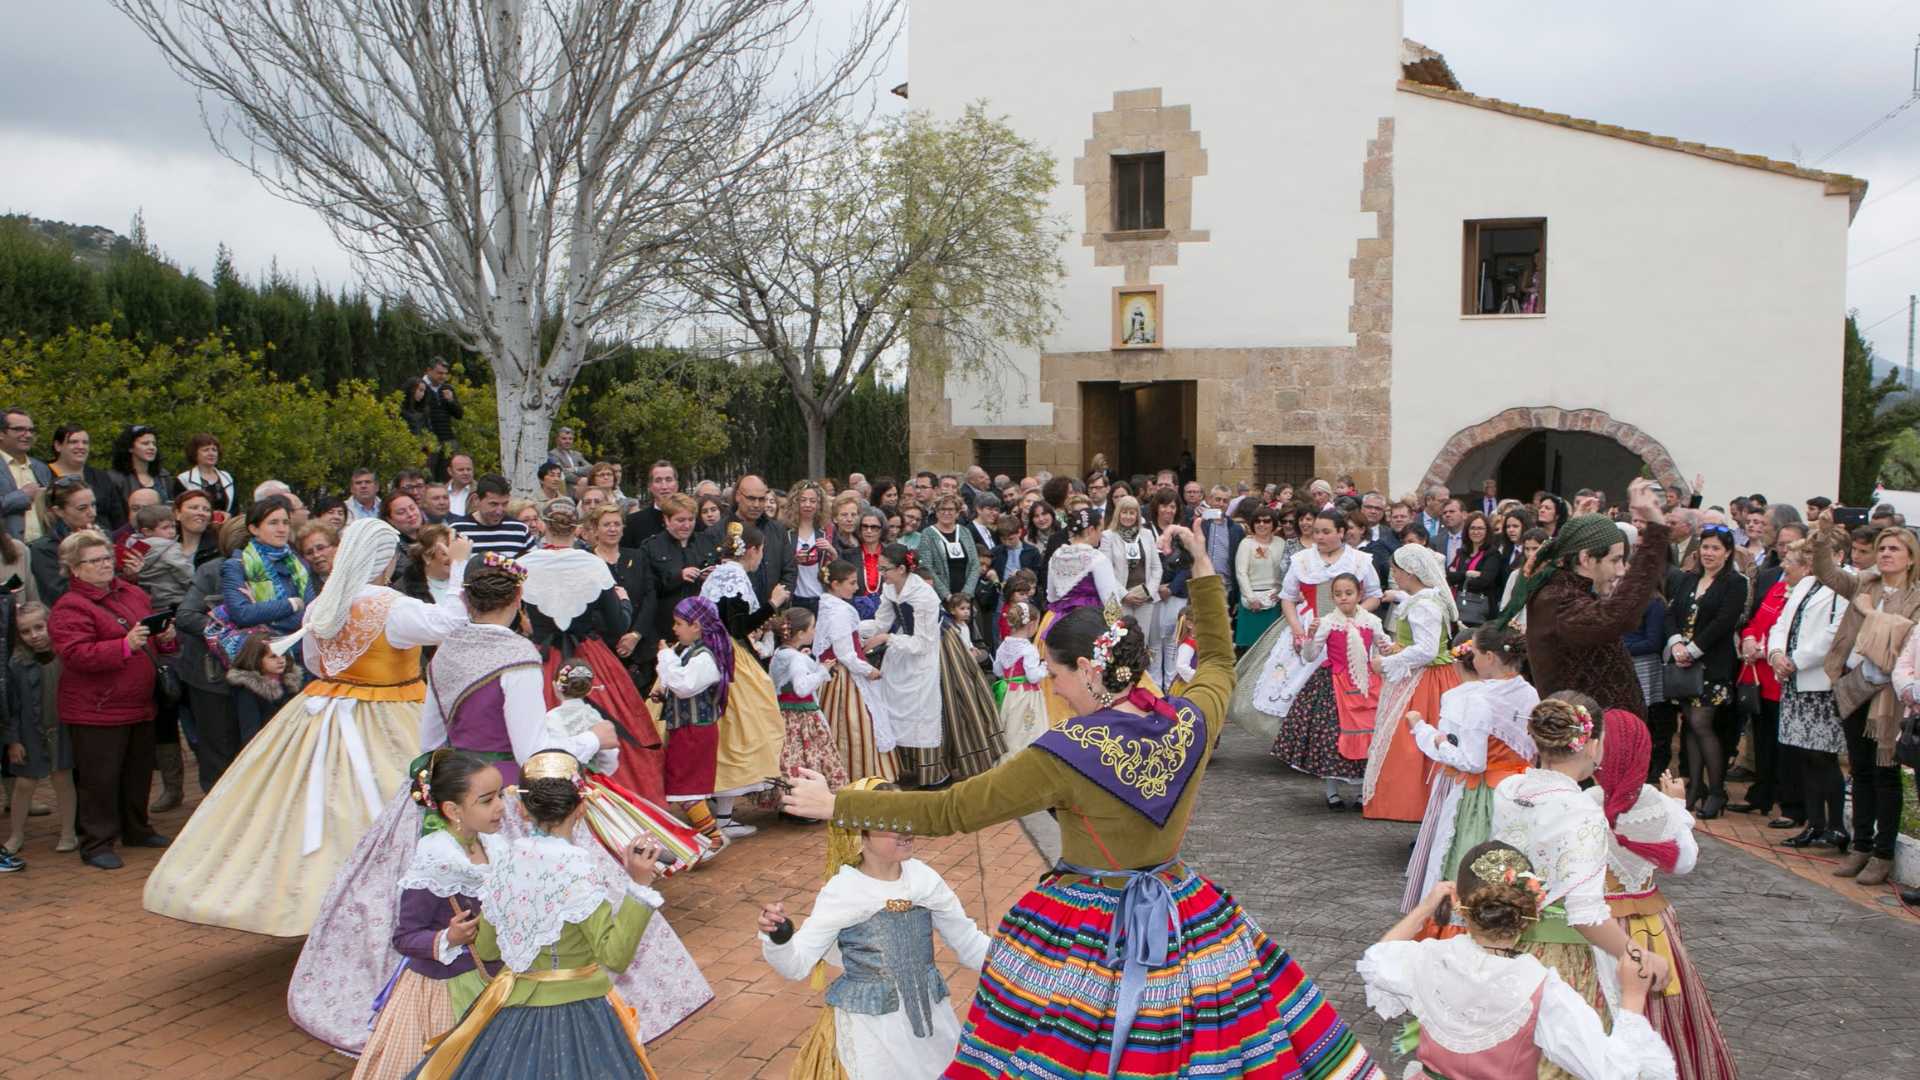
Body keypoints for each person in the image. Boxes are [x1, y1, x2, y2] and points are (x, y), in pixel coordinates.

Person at [778, 525, 1381, 1080]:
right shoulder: (1190, 720)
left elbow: (952, 811)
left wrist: (842, 806)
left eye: (1057, 673)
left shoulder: (1063, 753)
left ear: (1091, 670)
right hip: (1184, 911)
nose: (1054, 686)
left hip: (1091, 927)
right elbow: (1220, 661)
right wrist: (1201, 567)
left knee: (1071, 1045)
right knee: (1204, 1036)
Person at [286, 556, 709, 1053]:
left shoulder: (444, 653)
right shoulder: (517, 657)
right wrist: (593, 739)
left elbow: (432, 738)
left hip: (452, 788)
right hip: (503, 798)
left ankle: (427, 1004)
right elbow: (533, 753)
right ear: (516, 602)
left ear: (465, 600)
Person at [142, 519, 474, 935]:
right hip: (391, 708)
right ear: (384, 559)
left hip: (323, 708)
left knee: (303, 806)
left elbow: (317, 664)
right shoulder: (392, 605)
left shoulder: (324, 603)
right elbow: (451, 626)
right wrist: (460, 567)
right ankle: (392, 908)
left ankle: (310, 902)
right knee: (394, 802)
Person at [401, 752, 666, 1079]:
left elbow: (487, 950)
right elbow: (615, 955)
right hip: (580, 1014)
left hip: (515, 1011)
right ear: (581, 806)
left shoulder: (505, 862)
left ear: (523, 809)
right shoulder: (577, 870)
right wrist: (638, 886)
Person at [1360, 841, 1676, 1080]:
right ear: (1532, 912)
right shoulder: (1540, 988)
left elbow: (1377, 959)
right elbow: (1612, 1071)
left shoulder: (1428, 958)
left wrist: (1424, 909)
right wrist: (1633, 997)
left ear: (1459, 903)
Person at [757, 777, 994, 1080]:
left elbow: (971, 944)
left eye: (905, 815)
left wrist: (1022, 961)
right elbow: (796, 964)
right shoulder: (844, 890)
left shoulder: (924, 879)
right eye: (891, 820)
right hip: (870, 1033)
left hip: (930, 1027)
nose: (906, 828)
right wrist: (779, 937)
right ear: (859, 833)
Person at [1493, 695, 1674, 1066]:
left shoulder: (1509, 791)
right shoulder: (1582, 811)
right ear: (1592, 744)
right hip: (1564, 961)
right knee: (1568, 1060)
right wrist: (1635, 954)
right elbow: (1585, 914)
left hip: (1506, 947)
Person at [1591, 711, 1738, 1080]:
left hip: (1598, 927)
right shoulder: (1655, 802)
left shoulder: (1586, 802)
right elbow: (1684, 862)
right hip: (1651, 927)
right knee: (1664, 1004)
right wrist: (1679, 806)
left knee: (1600, 1002)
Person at [349, 750, 507, 1080]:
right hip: (445, 992)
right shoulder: (437, 860)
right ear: (453, 810)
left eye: (502, 795)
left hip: (495, 983)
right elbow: (405, 937)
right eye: (487, 800)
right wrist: (447, 937)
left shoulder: (494, 847)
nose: (500, 807)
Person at [48, 530, 178, 869]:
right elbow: (75, 655)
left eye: (107, 558)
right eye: (94, 561)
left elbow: (150, 641)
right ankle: (96, 843)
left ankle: (137, 828)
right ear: (75, 569)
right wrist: (124, 645)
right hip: (96, 708)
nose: (105, 565)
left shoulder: (132, 592)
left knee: (138, 771)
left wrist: (164, 637)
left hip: (139, 702)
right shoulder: (69, 607)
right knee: (99, 779)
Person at [1503, 479, 1671, 717]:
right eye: (1615, 560)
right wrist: (1656, 532)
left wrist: (1575, 527)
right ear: (1586, 559)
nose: (1622, 570)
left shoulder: (1564, 589)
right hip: (1586, 748)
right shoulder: (1558, 600)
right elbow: (1616, 617)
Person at [1402, 625, 1538, 914]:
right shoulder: (1528, 692)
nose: (1471, 660)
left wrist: (1431, 737)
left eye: (1474, 653)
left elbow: (1472, 761)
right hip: (1521, 789)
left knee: (1470, 861)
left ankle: (1465, 927)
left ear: (1489, 657)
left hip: (1484, 795)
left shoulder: (1480, 700)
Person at [696, 522, 786, 828]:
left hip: (712, 651)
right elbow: (737, 626)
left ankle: (715, 808)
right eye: (761, 551)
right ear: (752, 550)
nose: (761, 557)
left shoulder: (720, 573)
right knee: (741, 728)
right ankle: (722, 816)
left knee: (725, 730)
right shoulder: (733, 575)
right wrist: (773, 604)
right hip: (727, 656)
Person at [1363, 544, 1460, 823]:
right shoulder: (1424, 599)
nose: (1394, 575)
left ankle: (1417, 806)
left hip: (1426, 680)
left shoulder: (1425, 605)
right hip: (1427, 675)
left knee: (1413, 745)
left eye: (1397, 571)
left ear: (1411, 572)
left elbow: (1427, 650)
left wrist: (1389, 662)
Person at [1269, 573, 1382, 809]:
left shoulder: (1371, 621)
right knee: (1331, 737)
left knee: (1368, 735)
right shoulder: (1327, 622)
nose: (1343, 598)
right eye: (1338, 594)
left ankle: (1363, 791)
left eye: (1349, 593)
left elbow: (1381, 645)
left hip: (1366, 684)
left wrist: (1392, 652)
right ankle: (1332, 792)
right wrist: (1309, 637)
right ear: (1332, 597)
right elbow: (1310, 655)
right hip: (1334, 684)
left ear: (1359, 595)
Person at [1663, 523, 1749, 819]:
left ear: (1727, 553)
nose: (1709, 553)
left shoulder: (1735, 583)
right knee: (1689, 723)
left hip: (1712, 665)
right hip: (1683, 666)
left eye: (1716, 548)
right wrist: (1676, 645)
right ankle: (1695, 785)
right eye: (1706, 547)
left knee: (1702, 723)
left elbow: (1724, 622)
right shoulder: (1687, 579)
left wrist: (1694, 649)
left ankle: (1716, 790)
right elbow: (1671, 614)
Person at [1770, 539, 1849, 851]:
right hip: (1793, 680)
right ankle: (1814, 824)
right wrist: (1776, 653)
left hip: (1819, 681)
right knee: (1804, 754)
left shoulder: (1845, 586)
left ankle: (1836, 826)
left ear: (1838, 556)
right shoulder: (1805, 584)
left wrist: (1796, 660)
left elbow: (1835, 634)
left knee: (1823, 756)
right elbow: (1782, 623)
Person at [865, 544, 945, 788]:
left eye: (885, 569)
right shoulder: (890, 588)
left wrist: (887, 639)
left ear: (901, 569)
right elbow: (882, 622)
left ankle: (932, 774)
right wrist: (852, 629)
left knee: (921, 709)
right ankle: (902, 768)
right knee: (892, 703)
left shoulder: (924, 596)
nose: (882, 575)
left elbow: (923, 643)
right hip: (901, 650)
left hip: (922, 654)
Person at [3, 602, 76, 859]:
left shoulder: (65, 655)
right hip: (29, 732)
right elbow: (11, 706)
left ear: (50, 624)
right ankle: (16, 834)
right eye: (25, 631)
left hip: (62, 728)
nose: (34, 635)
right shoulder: (16, 664)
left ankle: (68, 831)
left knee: (62, 779)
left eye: (39, 627)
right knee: (24, 784)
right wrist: (13, 740)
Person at [816, 560, 898, 784]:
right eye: (851, 583)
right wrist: (869, 670)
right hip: (844, 675)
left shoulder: (829, 606)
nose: (855, 587)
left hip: (833, 674)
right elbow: (845, 653)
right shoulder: (840, 611)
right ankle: (859, 775)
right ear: (834, 584)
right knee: (856, 725)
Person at [767, 607, 849, 811]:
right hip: (802, 717)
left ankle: (787, 800)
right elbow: (801, 687)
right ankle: (809, 803)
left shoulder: (781, 653)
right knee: (809, 756)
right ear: (801, 633)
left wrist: (803, 658)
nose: (815, 631)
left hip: (783, 714)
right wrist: (822, 670)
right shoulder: (795, 659)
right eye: (812, 627)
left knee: (788, 757)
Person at [219, 495, 317, 645]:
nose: (281, 529)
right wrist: (292, 604)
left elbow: (312, 614)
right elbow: (243, 614)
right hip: (262, 653)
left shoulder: (298, 565)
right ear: (254, 529)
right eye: (273, 523)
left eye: (285, 523)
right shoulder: (237, 565)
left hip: (302, 647)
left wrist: (262, 609)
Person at [935, 592, 1005, 780]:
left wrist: (975, 652)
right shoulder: (950, 630)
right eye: (961, 609)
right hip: (959, 670)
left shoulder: (965, 627)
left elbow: (972, 645)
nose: (966, 612)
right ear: (952, 610)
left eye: (968, 609)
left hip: (970, 667)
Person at [225, 631, 302, 748]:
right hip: (266, 748)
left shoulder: (290, 683)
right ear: (256, 659)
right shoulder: (248, 690)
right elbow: (250, 733)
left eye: (283, 654)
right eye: (273, 656)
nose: (281, 660)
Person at [993, 599, 1048, 757]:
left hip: (1008, 693)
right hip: (1025, 695)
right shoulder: (1029, 649)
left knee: (1009, 727)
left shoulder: (1003, 645)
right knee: (1026, 729)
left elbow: (997, 669)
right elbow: (1032, 677)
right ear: (1031, 625)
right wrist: (1044, 668)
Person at [30, 477, 98, 603]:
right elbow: (61, 594)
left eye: (93, 505)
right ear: (59, 511)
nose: (92, 513)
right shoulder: (45, 548)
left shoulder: (102, 535)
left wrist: (130, 575)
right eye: (82, 508)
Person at [102, 424, 173, 533]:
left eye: (154, 444)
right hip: (129, 536)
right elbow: (115, 516)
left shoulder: (163, 476)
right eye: (145, 443)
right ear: (130, 447)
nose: (151, 447)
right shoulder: (115, 478)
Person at [914, 492, 980, 605]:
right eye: (941, 509)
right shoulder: (928, 534)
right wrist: (947, 596)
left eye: (950, 509)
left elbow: (974, 564)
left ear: (958, 512)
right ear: (936, 512)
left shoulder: (965, 531)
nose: (946, 513)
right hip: (941, 597)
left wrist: (966, 594)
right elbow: (926, 567)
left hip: (965, 599)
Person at [450, 475, 536, 557]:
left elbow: (533, 565)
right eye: (493, 504)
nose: (499, 511)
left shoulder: (520, 530)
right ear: (476, 500)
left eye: (505, 504)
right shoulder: (457, 530)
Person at [0, 407, 50, 542]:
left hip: (43, 551)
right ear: (1, 433)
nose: (27, 435)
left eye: (30, 430)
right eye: (19, 429)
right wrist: (23, 495)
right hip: (7, 552)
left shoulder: (41, 468)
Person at [785, 480, 833, 613]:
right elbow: (778, 565)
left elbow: (837, 566)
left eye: (813, 501)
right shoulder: (786, 532)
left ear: (819, 504)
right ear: (795, 502)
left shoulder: (826, 531)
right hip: (795, 598)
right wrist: (794, 560)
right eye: (803, 500)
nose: (808, 505)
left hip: (821, 596)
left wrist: (831, 550)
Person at [175, 433, 235, 515]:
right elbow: (179, 508)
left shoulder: (227, 478)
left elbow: (234, 508)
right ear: (195, 453)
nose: (211, 453)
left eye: (214, 450)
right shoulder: (184, 479)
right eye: (206, 450)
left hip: (226, 525)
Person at [850, 506, 891, 619]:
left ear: (882, 529)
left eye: (874, 527)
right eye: (865, 526)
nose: (869, 531)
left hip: (887, 614)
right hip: (856, 614)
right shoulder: (848, 555)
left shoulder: (892, 554)